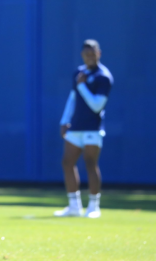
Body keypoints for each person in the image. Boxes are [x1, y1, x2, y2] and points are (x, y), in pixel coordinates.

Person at [54, 39, 113, 219]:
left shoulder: (104, 76)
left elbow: (97, 106)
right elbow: (73, 98)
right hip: (75, 127)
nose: (89, 57)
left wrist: (82, 85)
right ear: (82, 55)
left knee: (90, 164)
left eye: (93, 53)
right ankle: (74, 206)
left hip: (92, 129)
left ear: (99, 53)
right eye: (86, 54)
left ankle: (94, 206)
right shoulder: (78, 73)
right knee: (67, 163)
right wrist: (65, 120)